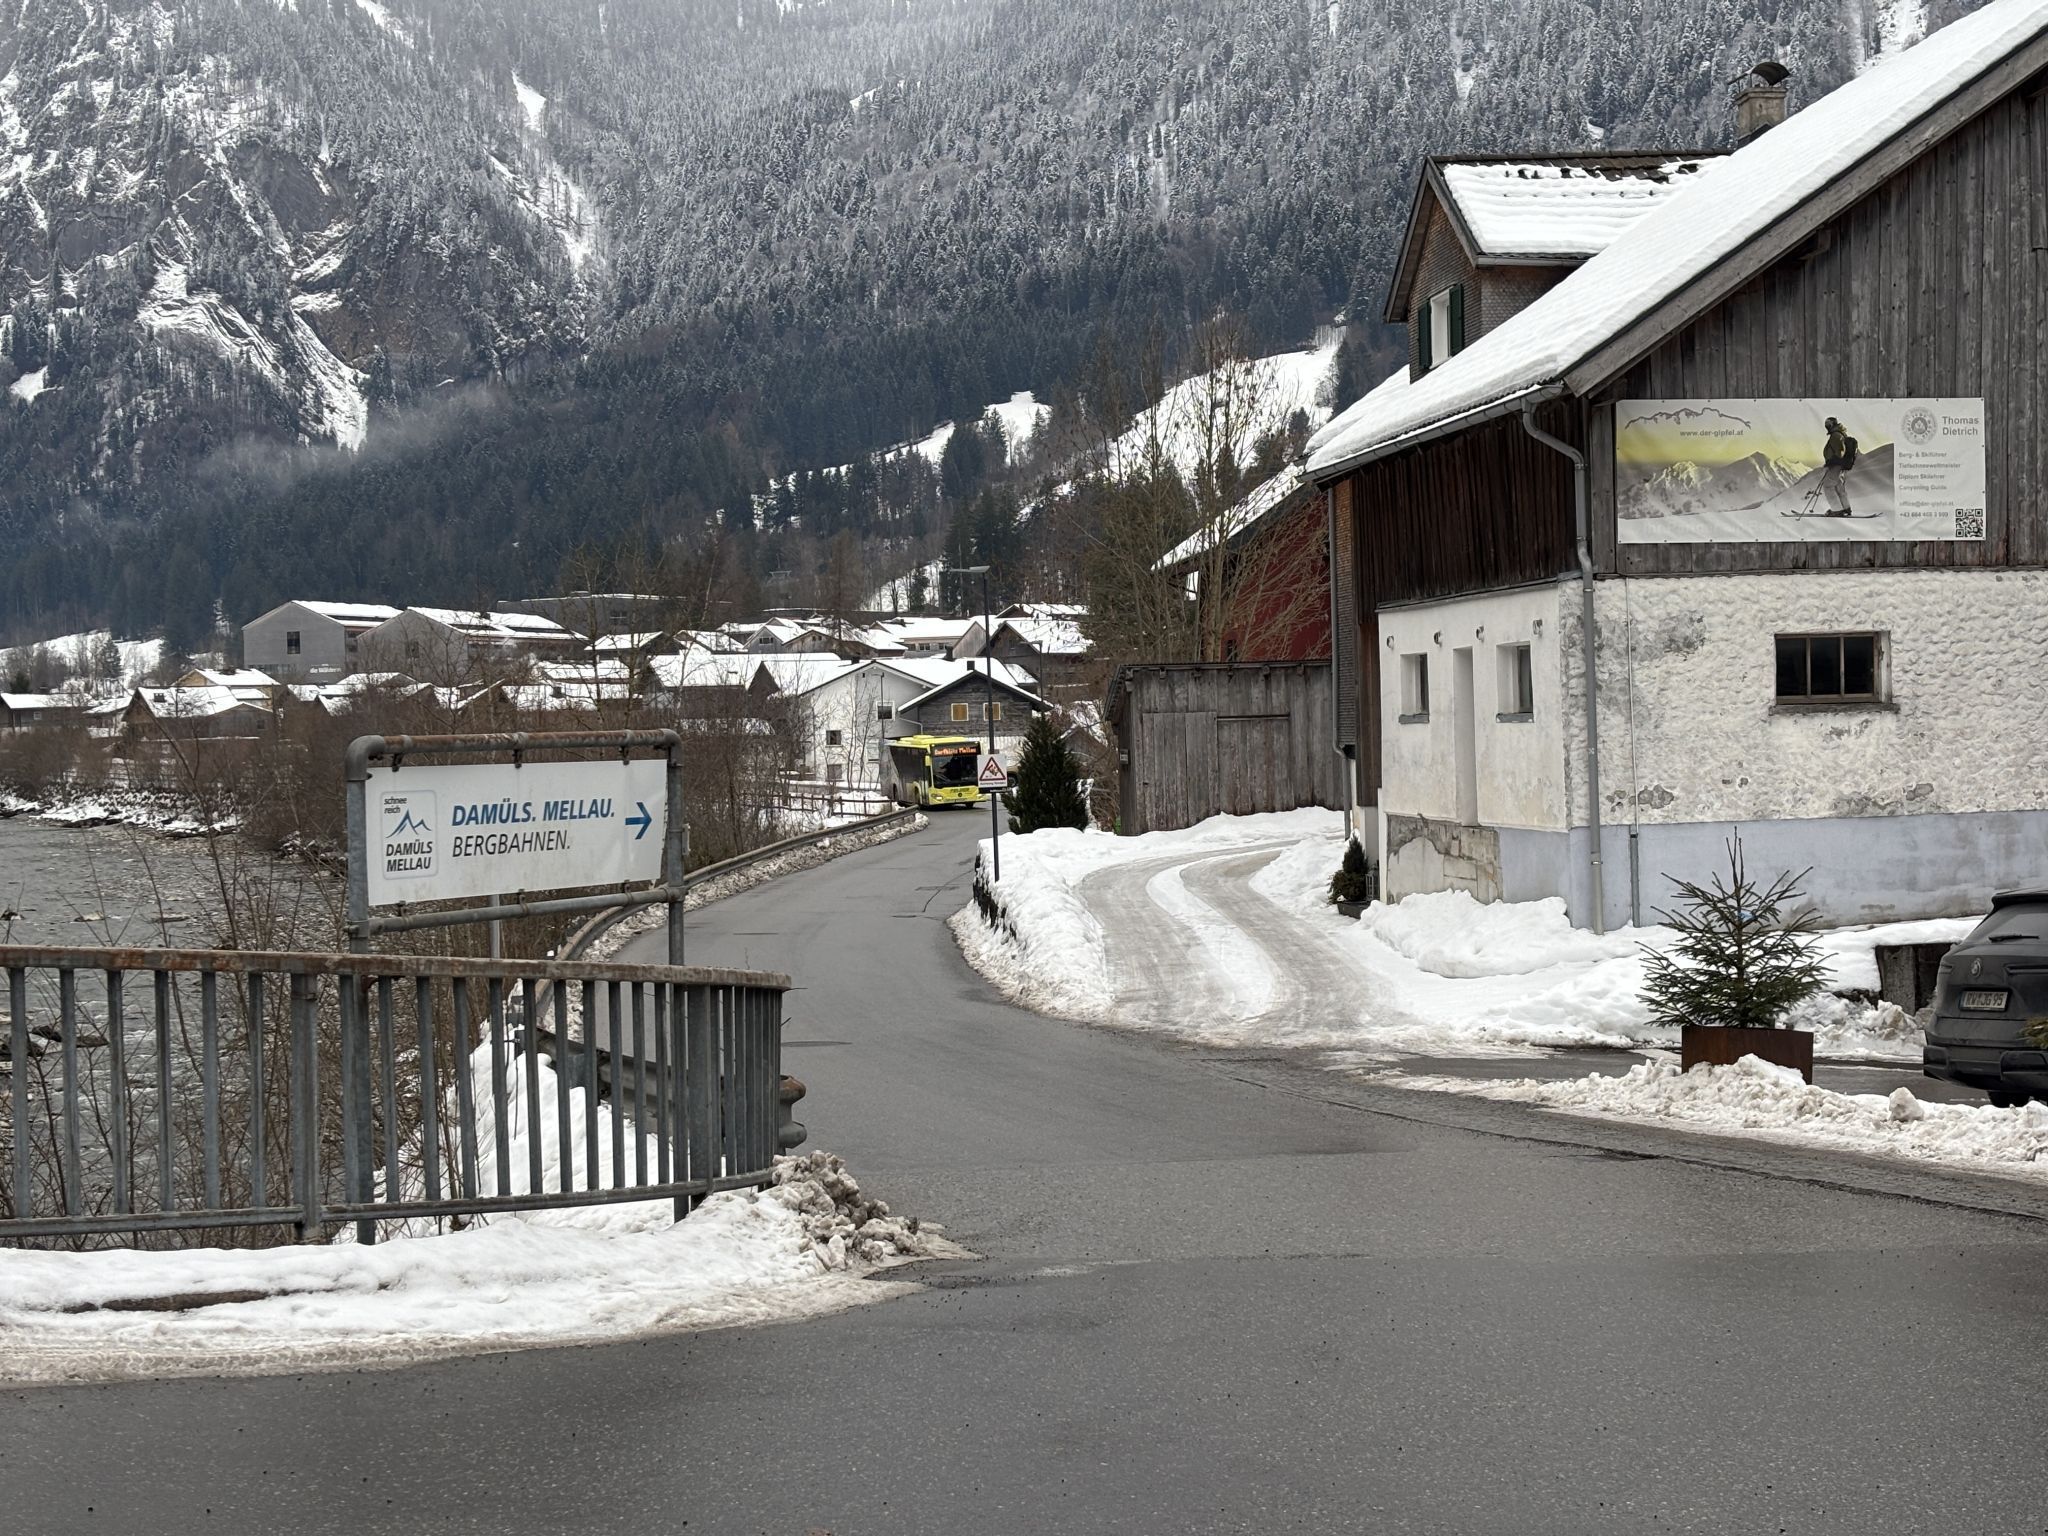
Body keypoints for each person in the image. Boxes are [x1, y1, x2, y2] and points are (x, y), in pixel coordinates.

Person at [1820, 416, 1854, 516]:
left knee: (1828, 486)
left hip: (1836, 465)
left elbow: (1840, 452)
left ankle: (1837, 510)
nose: (1827, 426)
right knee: (1838, 486)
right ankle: (1846, 508)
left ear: (1833, 424)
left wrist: (1832, 461)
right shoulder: (1840, 434)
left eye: (1828, 424)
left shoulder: (1836, 435)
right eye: (1826, 424)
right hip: (1840, 465)